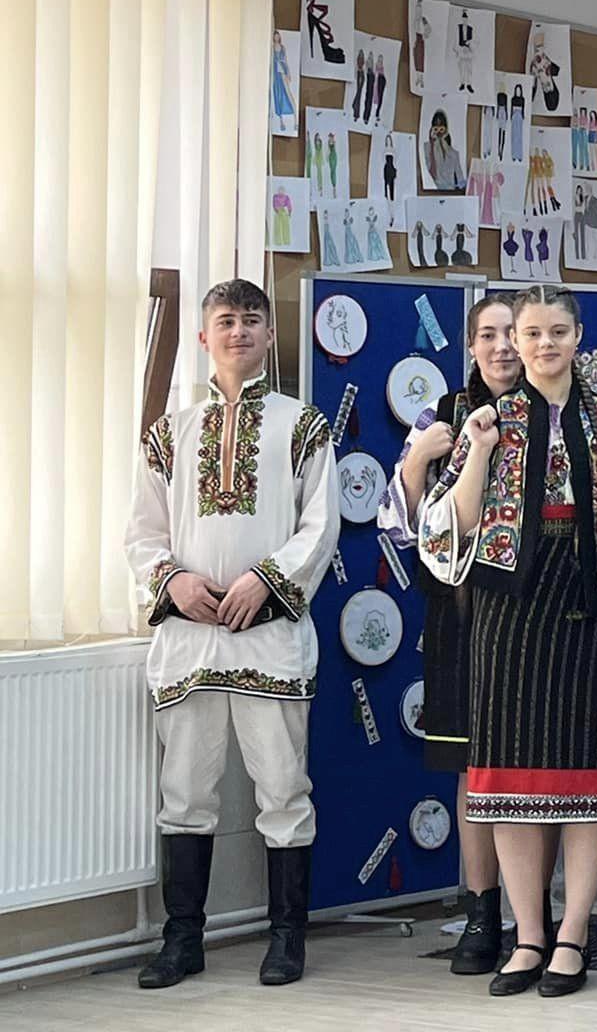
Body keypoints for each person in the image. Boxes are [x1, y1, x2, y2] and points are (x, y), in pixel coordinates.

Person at [419, 285, 597, 1000]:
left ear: (578, 337)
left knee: (585, 779)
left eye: (557, 332)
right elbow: (450, 524)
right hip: (506, 605)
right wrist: (478, 452)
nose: (544, 345)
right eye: (532, 333)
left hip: (583, 600)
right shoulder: (488, 418)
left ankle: (573, 933)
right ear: (514, 340)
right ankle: (527, 936)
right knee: (507, 780)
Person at [126, 279, 339, 989]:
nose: (239, 330)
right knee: (185, 793)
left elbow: (320, 525)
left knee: (283, 789)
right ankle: (182, 940)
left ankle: (286, 939)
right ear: (204, 336)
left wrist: (265, 581)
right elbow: (142, 532)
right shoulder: (170, 432)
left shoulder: (302, 425)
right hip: (191, 640)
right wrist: (175, 581)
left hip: (269, 637)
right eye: (226, 320)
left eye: (252, 319)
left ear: (269, 336)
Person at [378, 296, 525, 973]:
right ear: (470, 345)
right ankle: (481, 911)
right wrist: (417, 463)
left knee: (535, 763)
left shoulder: (554, 410)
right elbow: (399, 527)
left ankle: (536, 914)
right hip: (461, 618)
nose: (503, 347)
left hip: (535, 616)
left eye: (512, 334)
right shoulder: (441, 415)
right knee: (473, 768)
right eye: (488, 335)